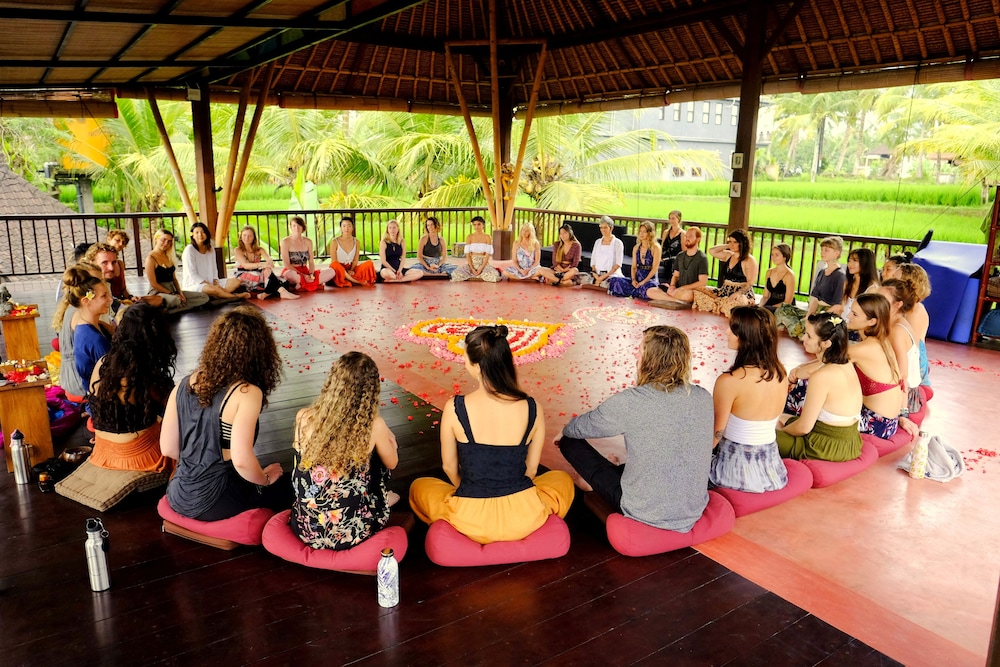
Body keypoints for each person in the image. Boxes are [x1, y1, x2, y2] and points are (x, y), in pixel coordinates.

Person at [409, 326, 574, 544]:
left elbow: (449, 467)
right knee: (562, 480)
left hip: (470, 520)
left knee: (419, 487)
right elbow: (532, 470)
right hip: (524, 516)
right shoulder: (533, 407)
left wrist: (471, 493)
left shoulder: (455, 407)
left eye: (466, 359)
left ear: (477, 366)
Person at [557, 325, 713, 531]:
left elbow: (581, 428)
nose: (636, 356)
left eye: (640, 350)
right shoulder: (703, 397)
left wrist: (565, 430)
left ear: (650, 359)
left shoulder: (631, 401)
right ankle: (610, 473)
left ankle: (593, 481)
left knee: (569, 441)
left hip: (643, 510)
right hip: (692, 509)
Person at [162, 306, 292, 521]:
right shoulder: (247, 392)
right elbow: (241, 461)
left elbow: (168, 448)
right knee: (291, 484)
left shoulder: (183, 384)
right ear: (260, 351)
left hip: (178, 494)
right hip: (217, 500)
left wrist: (199, 464)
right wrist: (266, 479)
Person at [289, 352, 400, 550]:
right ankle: (381, 501)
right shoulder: (374, 426)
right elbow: (392, 463)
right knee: (376, 461)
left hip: (306, 529)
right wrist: (388, 436)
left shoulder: (303, 416)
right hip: (352, 533)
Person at [88, 304, 176, 473]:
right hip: (139, 457)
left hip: (102, 451)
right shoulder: (145, 373)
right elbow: (174, 410)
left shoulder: (102, 363)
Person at [710, 307, 789, 493]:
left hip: (733, 469)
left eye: (733, 329)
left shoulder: (729, 381)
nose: (726, 332)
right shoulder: (780, 374)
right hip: (771, 468)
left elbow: (716, 433)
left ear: (746, 337)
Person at [776, 313, 863, 462]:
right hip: (850, 441)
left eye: (809, 336)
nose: (803, 338)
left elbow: (803, 428)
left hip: (825, 446)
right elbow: (813, 366)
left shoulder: (822, 376)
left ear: (826, 343)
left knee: (759, 435)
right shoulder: (845, 363)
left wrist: (782, 432)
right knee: (780, 418)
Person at [846, 294, 916, 439]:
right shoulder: (881, 341)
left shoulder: (865, 348)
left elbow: (824, 365)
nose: (848, 316)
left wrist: (798, 371)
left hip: (875, 424)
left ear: (872, 321)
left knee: (809, 387)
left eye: (854, 314)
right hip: (889, 422)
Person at [775, 235, 845, 338]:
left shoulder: (840, 276)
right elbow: (815, 299)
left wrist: (816, 317)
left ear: (837, 253)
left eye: (826, 250)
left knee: (800, 324)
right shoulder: (822, 272)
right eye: (822, 249)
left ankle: (799, 331)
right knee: (783, 309)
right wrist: (809, 316)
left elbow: (838, 307)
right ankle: (800, 330)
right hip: (816, 311)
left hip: (826, 315)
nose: (822, 252)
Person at [879, 279, 923, 420]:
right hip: (905, 392)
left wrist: (902, 413)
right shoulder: (896, 323)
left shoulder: (897, 330)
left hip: (903, 397)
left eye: (881, 299)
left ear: (898, 304)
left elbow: (902, 375)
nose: (876, 302)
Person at [692, 229, 758, 317]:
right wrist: (729, 245)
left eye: (735, 242)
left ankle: (721, 305)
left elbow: (750, 282)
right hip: (724, 291)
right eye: (730, 241)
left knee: (736, 305)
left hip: (740, 294)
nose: (732, 244)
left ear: (742, 243)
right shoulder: (728, 255)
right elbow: (712, 251)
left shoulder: (749, 260)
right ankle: (720, 304)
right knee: (698, 290)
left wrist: (738, 293)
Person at [144, 229, 210, 314]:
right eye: (163, 240)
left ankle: (172, 308)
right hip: (159, 292)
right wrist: (171, 294)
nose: (166, 243)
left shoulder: (168, 256)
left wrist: (180, 293)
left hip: (173, 290)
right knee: (176, 300)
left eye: (169, 241)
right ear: (156, 239)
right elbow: (153, 284)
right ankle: (176, 306)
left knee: (204, 297)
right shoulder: (150, 258)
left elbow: (174, 279)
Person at [181, 222, 251, 301]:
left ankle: (218, 295)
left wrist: (215, 281)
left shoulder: (210, 249)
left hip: (211, 283)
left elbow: (214, 268)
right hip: (195, 284)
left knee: (236, 281)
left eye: (203, 232)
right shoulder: (189, 249)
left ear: (206, 234)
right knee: (212, 289)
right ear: (192, 235)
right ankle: (235, 297)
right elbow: (192, 274)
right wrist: (209, 285)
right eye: (197, 232)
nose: (200, 235)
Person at [86, 241, 163, 310]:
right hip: (115, 309)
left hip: (121, 303)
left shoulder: (117, 269)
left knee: (158, 300)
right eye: (104, 263)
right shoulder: (88, 285)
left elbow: (123, 289)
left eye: (114, 262)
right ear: (92, 263)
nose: (111, 268)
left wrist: (131, 297)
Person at [646, 226, 708, 307]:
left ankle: (669, 298)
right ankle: (676, 300)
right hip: (678, 290)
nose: (687, 238)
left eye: (690, 236)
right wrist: (672, 286)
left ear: (698, 239)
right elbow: (675, 275)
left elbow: (702, 282)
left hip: (689, 291)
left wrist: (683, 288)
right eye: (686, 236)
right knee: (650, 291)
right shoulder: (680, 256)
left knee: (688, 295)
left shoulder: (702, 258)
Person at [233, 225, 299, 300]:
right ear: (241, 236)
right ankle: (279, 292)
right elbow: (245, 265)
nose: (247, 238)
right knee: (274, 280)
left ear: (254, 237)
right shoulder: (238, 250)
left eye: (250, 236)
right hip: (244, 275)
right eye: (244, 235)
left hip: (257, 273)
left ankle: (266, 294)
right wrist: (262, 264)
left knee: (283, 281)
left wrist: (269, 263)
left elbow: (269, 261)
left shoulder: (259, 249)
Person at [897, 263, 932, 387]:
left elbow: (911, 348)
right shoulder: (904, 307)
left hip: (914, 366)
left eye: (895, 279)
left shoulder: (915, 311)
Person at [608, 220, 662, 299]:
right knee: (615, 280)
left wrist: (643, 282)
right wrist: (633, 280)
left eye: (644, 232)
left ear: (650, 233)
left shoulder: (656, 247)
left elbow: (655, 269)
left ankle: (638, 292)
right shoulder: (636, 248)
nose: (641, 234)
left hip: (649, 281)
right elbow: (633, 267)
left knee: (648, 288)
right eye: (640, 231)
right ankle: (637, 291)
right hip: (637, 280)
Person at [280, 216, 335, 291]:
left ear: (303, 227)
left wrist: (311, 275)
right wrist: (303, 276)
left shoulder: (308, 241)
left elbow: (311, 262)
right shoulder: (285, 242)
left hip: (306, 271)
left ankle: (302, 286)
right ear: (290, 227)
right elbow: (287, 264)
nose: (296, 228)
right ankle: (314, 285)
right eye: (294, 226)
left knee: (331, 271)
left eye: (299, 225)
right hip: (293, 271)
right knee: (289, 274)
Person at [327, 216, 377, 286]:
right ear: (341, 228)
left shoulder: (356, 241)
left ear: (353, 228)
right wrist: (345, 271)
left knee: (369, 263)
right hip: (339, 270)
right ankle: (356, 281)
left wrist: (351, 270)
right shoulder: (335, 241)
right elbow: (334, 260)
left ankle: (349, 278)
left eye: (349, 226)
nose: (346, 228)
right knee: (334, 264)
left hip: (351, 269)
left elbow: (356, 259)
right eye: (344, 226)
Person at [451, 216, 501, 283]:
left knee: (493, 275)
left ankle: (479, 274)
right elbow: (468, 255)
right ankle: (475, 275)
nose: (476, 227)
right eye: (474, 225)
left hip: (483, 263)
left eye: (479, 224)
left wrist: (481, 268)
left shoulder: (487, 237)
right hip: (472, 263)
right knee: (456, 274)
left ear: (483, 225)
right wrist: (472, 268)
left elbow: (487, 255)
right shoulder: (469, 237)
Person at [834, 247, 879, 315]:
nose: (850, 264)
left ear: (866, 263)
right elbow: (842, 309)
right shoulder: (848, 283)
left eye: (855, 261)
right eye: (849, 261)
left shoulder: (872, 289)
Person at [585, 215, 625, 288]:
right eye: (601, 227)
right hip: (597, 274)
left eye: (605, 227)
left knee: (607, 284)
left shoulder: (618, 243)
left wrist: (603, 277)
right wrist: (596, 276)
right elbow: (593, 261)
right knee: (582, 278)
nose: (603, 230)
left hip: (611, 275)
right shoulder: (597, 242)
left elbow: (618, 264)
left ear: (611, 228)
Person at [759, 243, 796, 312]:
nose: (774, 257)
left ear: (785, 256)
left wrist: (768, 308)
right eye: (772, 255)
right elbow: (765, 296)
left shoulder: (789, 275)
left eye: (777, 255)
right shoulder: (769, 272)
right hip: (769, 304)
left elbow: (788, 302)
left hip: (783, 308)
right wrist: (759, 307)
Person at [658, 209, 684, 283]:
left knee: (673, 263)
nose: (671, 220)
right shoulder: (666, 232)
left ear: (679, 219)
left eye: (673, 218)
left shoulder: (682, 234)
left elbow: (684, 251)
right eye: (670, 218)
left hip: (675, 259)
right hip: (664, 258)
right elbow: (662, 247)